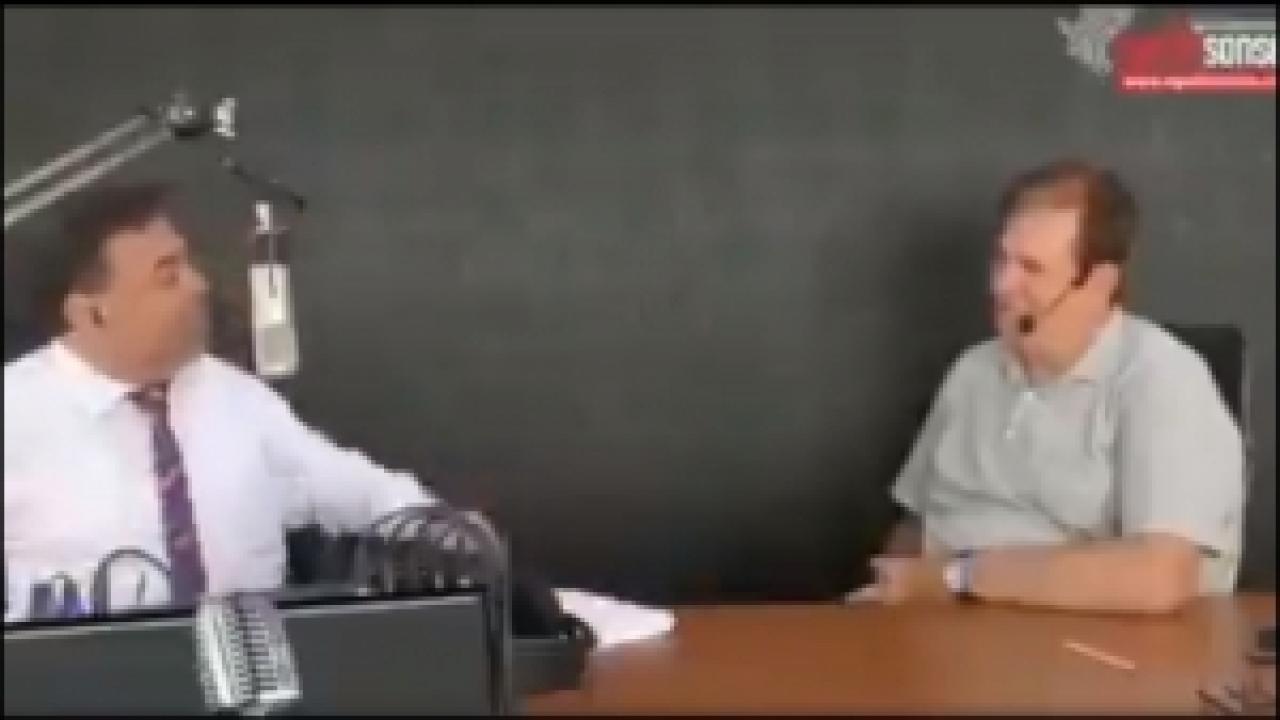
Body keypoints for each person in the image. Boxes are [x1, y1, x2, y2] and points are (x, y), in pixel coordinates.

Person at [4, 183, 438, 620]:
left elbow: (370, 495)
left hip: (252, 658)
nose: (199, 285)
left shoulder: (237, 399)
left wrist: (449, 537)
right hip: (90, 663)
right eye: (168, 276)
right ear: (91, 313)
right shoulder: (16, 416)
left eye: (187, 263)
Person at [850, 159, 1245, 614]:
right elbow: (917, 527)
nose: (1001, 286)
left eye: (1031, 268)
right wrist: (887, 605)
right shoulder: (973, 371)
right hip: (938, 632)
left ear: (1099, 283)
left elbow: (1159, 577)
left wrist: (958, 577)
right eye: (1001, 260)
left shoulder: (1162, 380)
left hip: (1075, 643)